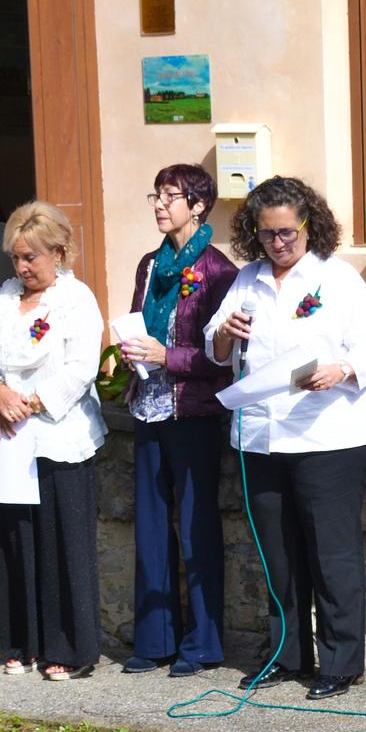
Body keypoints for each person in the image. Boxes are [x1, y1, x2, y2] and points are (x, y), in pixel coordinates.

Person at [207, 176, 366, 702]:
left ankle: (339, 663)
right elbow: (216, 350)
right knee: (278, 556)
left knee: (331, 555)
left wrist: (341, 369)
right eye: (266, 234)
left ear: (310, 227)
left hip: (326, 433)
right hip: (262, 436)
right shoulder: (246, 279)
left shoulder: (338, 279)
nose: (278, 243)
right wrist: (224, 334)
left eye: (287, 232)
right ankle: (286, 656)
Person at [0, 201, 109, 681]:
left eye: (32, 257)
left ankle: (68, 647)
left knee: (61, 544)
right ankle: (21, 641)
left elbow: (80, 368)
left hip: (58, 437)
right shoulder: (3, 299)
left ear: (60, 253)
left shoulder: (77, 300)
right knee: (16, 541)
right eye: (16, 258)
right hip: (9, 439)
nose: (23, 267)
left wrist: (28, 403)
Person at [115, 164, 240, 678]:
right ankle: (155, 638)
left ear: (198, 205)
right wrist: (133, 353)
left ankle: (203, 643)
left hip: (193, 412)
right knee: (149, 525)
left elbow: (223, 359)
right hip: (148, 405)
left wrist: (168, 356)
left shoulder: (219, 272)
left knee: (196, 527)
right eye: (157, 194)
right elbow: (138, 323)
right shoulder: (149, 265)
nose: (161, 205)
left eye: (173, 196)